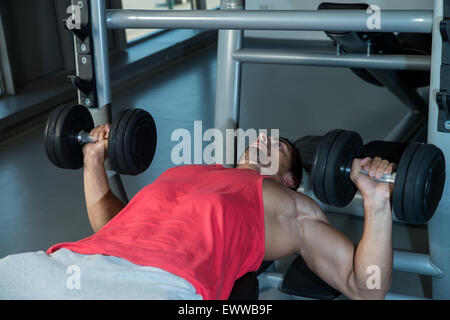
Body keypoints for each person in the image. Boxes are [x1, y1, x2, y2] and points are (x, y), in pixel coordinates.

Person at [0, 124, 394, 300]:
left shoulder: (289, 205)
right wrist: (92, 161)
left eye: (277, 148)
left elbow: (365, 287)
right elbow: (112, 227)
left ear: (289, 179)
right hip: (64, 263)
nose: (260, 139)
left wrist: (377, 204)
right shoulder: (186, 171)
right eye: (260, 136)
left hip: (154, 288)